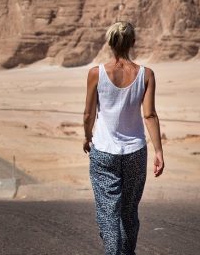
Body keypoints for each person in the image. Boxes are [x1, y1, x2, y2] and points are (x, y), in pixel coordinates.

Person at [83, 21, 164, 255]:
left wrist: (87, 137)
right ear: (133, 43)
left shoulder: (95, 74)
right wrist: (158, 151)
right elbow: (149, 114)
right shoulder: (146, 75)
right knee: (129, 212)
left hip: (104, 152)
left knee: (108, 212)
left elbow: (89, 113)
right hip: (135, 152)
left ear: (110, 43)